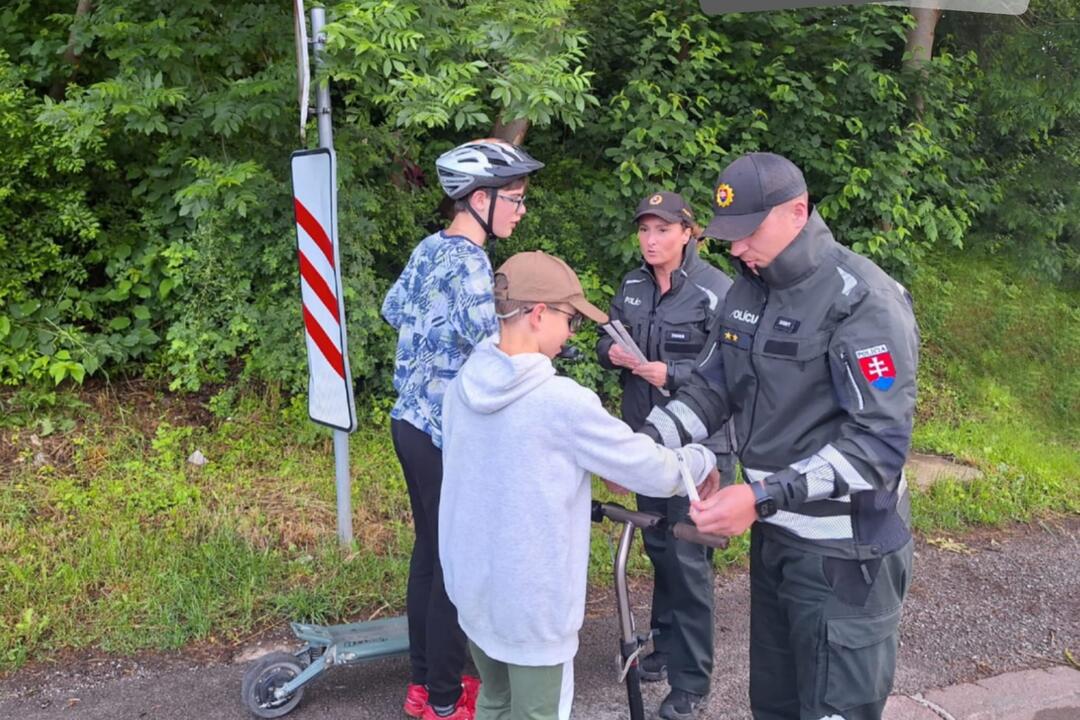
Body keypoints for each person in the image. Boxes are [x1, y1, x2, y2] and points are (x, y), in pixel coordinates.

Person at [640, 152, 920, 720]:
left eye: (748, 234)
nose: (736, 250)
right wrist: (638, 450)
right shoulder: (748, 288)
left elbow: (879, 446)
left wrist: (761, 496)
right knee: (774, 705)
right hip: (777, 542)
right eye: (728, 237)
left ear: (799, 211)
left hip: (846, 555)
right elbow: (711, 388)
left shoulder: (863, 300)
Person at [439, 251, 721, 720]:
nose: (572, 332)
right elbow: (647, 468)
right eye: (569, 318)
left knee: (494, 700)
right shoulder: (559, 402)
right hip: (530, 602)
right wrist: (701, 457)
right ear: (537, 314)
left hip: (474, 587)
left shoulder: (462, 385)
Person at [381, 139, 544, 720]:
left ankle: (424, 685)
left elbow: (392, 308)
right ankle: (446, 701)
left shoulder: (429, 248)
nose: (521, 211)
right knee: (458, 565)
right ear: (481, 199)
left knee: (430, 554)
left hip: (408, 423)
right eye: (516, 200)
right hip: (447, 435)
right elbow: (494, 348)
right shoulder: (472, 263)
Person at [596, 190, 734, 720]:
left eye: (661, 230)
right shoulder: (632, 284)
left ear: (686, 233)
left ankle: (691, 685)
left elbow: (726, 371)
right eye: (644, 230)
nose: (650, 240)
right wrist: (610, 353)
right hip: (645, 439)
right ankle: (665, 644)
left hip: (700, 447)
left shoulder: (715, 291)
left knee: (689, 558)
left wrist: (671, 375)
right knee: (656, 540)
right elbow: (605, 342)